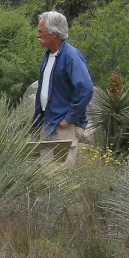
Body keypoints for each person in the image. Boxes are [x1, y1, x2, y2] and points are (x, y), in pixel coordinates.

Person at [31, 10, 93, 166]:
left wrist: (69, 118)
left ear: (54, 33)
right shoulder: (49, 55)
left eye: (41, 31)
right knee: (44, 174)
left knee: (60, 179)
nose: (38, 35)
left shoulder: (71, 56)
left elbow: (86, 89)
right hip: (48, 123)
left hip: (63, 127)